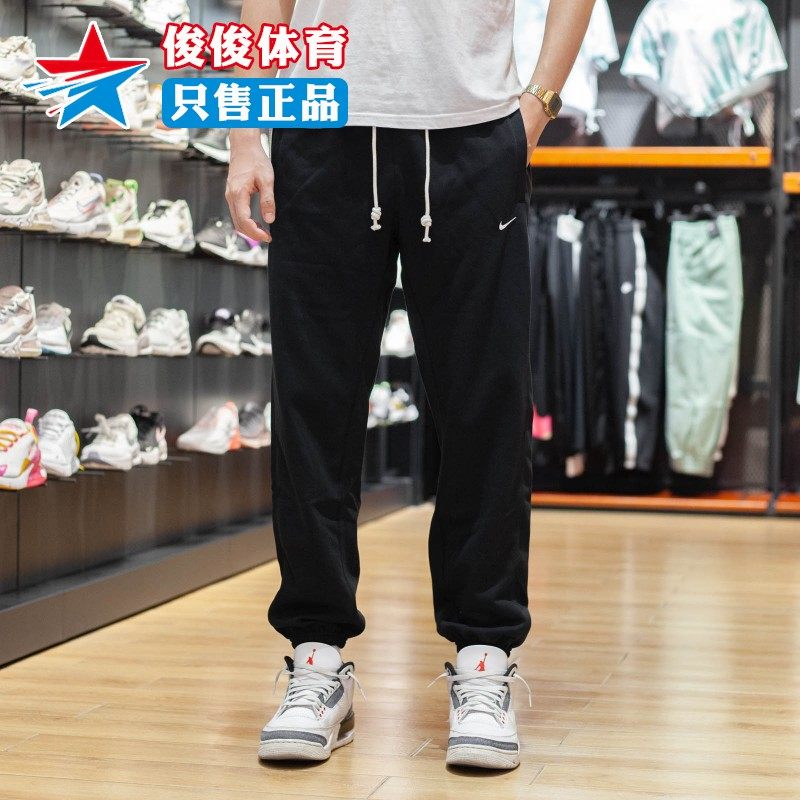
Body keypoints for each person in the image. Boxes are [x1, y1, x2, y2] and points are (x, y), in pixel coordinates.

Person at [226, 0, 594, 770]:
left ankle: (484, 658)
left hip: (473, 130)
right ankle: (316, 657)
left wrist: (538, 103)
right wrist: (245, 134)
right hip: (318, 124)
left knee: (485, 407)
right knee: (313, 404)